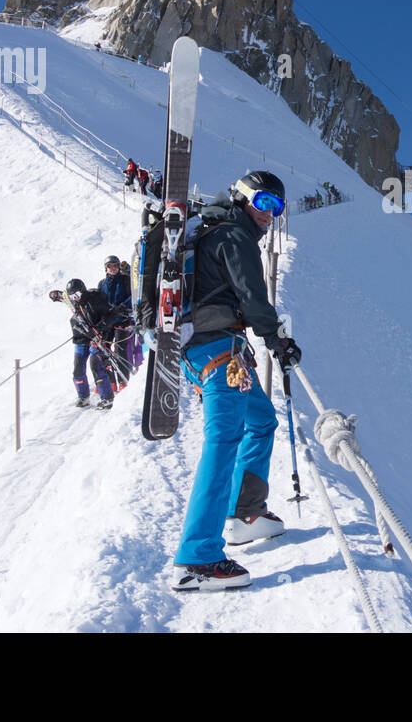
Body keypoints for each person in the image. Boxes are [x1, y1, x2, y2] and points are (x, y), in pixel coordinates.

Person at [140, 170, 301, 591]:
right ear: (243, 198)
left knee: (262, 420)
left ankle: (244, 513)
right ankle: (197, 558)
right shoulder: (234, 235)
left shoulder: (210, 231)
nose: (270, 214)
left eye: (278, 207)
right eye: (264, 202)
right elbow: (253, 296)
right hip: (218, 354)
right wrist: (278, 341)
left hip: (213, 352)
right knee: (222, 443)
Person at [49, 279, 125, 409]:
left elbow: (111, 315)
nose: (75, 298)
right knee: (78, 366)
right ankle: (83, 396)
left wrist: (100, 329)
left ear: (83, 291)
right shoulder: (72, 301)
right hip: (81, 337)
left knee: (95, 364)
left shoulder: (95, 300)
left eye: (77, 295)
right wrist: (55, 295)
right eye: (72, 296)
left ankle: (107, 398)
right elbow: (63, 297)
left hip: (97, 336)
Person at [97, 255, 134, 382]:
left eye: (115, 265)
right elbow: (99, 301)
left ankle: (123, 379)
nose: (113, 268)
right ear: (105, 268)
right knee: (102, 350)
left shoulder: (125, 280)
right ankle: (111, 381)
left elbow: (133, 296)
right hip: (108, 321)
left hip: (121, 320)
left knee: (120, 351)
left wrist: (123, 306)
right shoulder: (102, 284)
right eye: (110, 266)